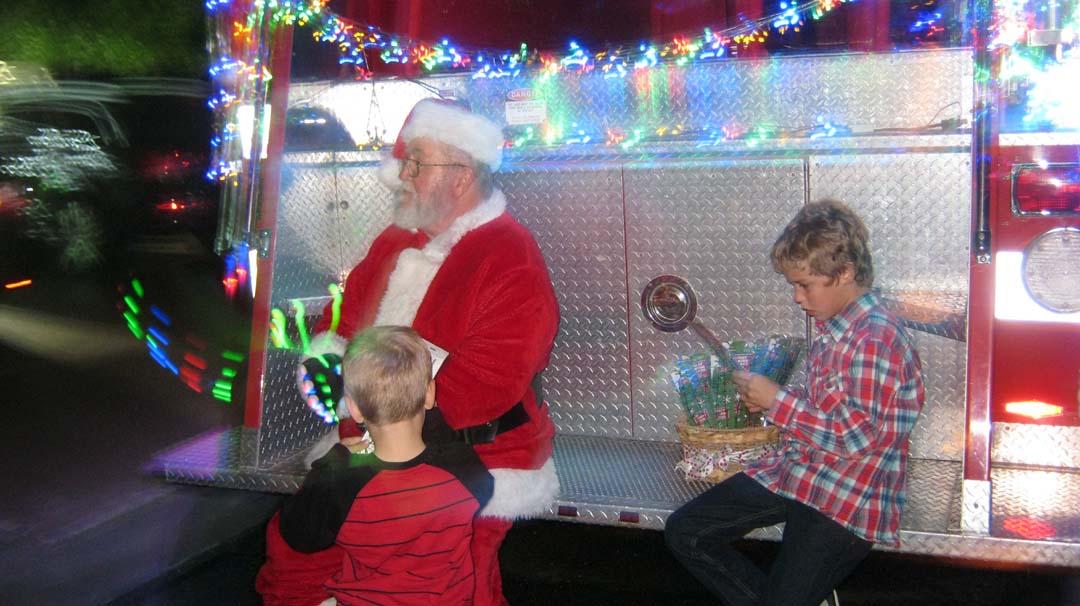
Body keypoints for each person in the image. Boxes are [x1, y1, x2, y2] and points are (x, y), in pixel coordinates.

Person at [257, 98, 560, 606]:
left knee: (450, 582)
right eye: (405, 161)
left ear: (461, 176)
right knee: (302, 556)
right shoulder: (395, 239)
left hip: (474, 456)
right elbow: (348, 316)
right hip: (373, 438)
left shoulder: (511, 258)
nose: (403, 175)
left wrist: (380, 428)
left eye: (417, 162)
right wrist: (329, 362)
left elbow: (488, 384)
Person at [664, 199, 925, 606]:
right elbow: (829, 405)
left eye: (805, 285)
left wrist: (779, 402)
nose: (797, 297)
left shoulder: (875, 338)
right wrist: (768, 398)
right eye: (793, 285)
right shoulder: (836, 326)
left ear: (846, 273)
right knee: (686, 531)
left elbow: (854, 438)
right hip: (804, 472)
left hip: (847, 497)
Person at [276, 326, 493, 606]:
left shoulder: (343, 481)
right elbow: (486, 490)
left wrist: (335, 460)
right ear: (429, 394)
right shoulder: (460, 468)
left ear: (354, 408)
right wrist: (436, 424)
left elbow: (299, 535)